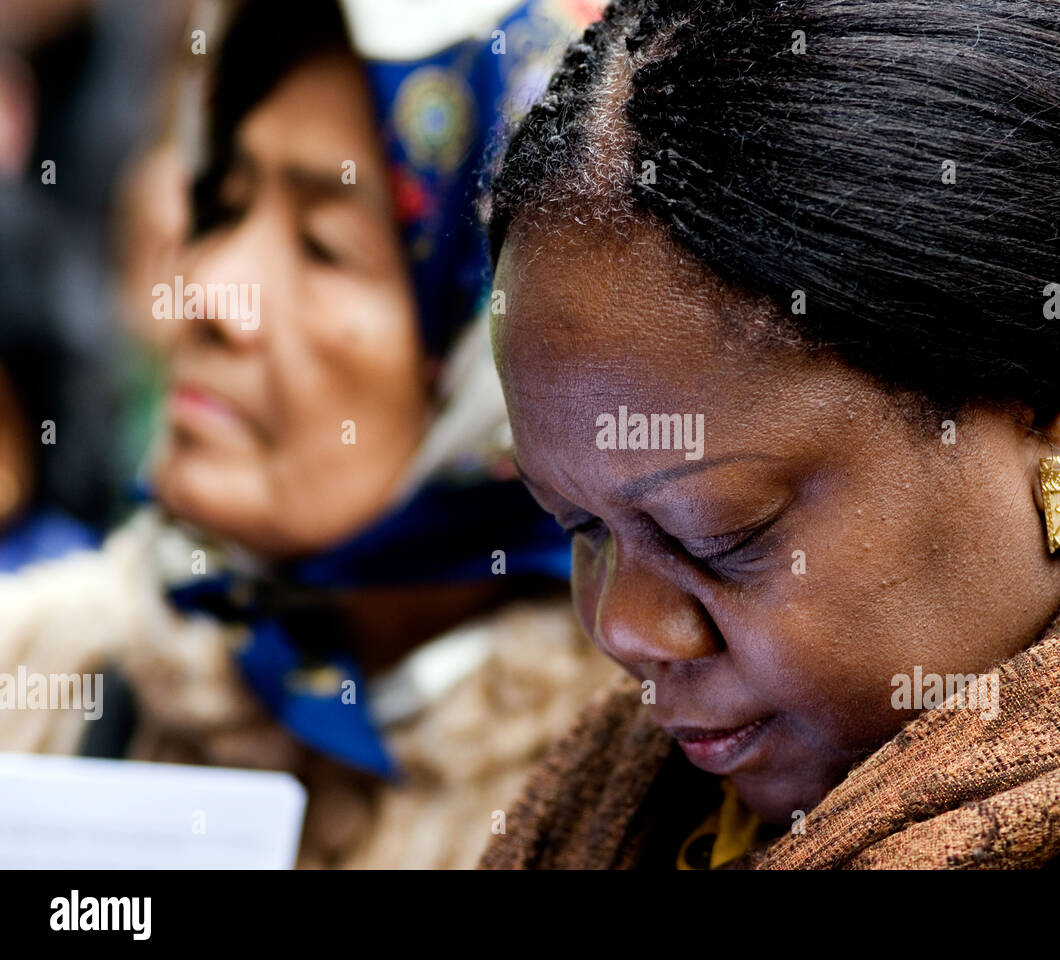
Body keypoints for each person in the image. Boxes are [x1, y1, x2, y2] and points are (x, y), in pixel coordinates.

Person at [478, 0, 1060, 869]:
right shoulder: (611, 814)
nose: (624, 629)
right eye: (579, 527)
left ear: (1056, 399)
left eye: (722, 533)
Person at [0, 0, 616, 869]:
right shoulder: (43, 685)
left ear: (498, 342)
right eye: (224, 207)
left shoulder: (632, 796)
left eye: (322, 246)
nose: (208, 292)